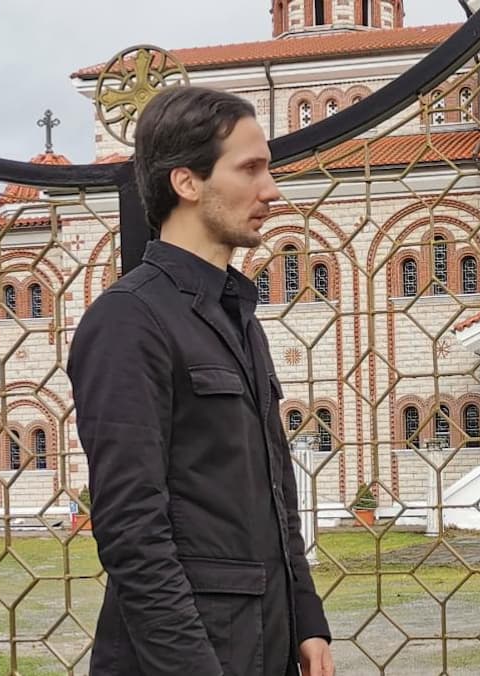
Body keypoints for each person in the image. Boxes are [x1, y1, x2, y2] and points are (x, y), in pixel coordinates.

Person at [69, 85, 333, 676]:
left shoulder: (237, 315)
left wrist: (306, 619)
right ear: (187, 183)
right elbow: (132, 530)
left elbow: (275, 493)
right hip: (185, 656)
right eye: (250, 169)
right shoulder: (128, 320)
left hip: (266, 643)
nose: (271, 190)